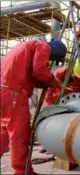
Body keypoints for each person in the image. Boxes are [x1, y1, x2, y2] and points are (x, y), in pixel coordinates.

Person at [0, 39, 67, 175]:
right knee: (19, 135)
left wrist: (39, 82)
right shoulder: (43, 46)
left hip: (4, 90)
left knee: (3, 131)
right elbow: (39, 70)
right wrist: (52, 80)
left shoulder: (27, 46)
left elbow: (30, 73)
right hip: (14, 93)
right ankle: (23, 172)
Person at [39, 60, 80, 154]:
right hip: (53, 100)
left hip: (66, 104)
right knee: (47, 123)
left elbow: (78, 94)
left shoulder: (79, 79)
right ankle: (45, 145)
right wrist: (49, 105)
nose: (76, 78)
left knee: (60, 126)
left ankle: (56, 146)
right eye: (75, 75)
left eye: (78, 76)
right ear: (72, 69)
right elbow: (50, 89)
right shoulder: (60, 73)